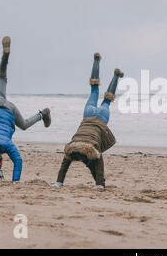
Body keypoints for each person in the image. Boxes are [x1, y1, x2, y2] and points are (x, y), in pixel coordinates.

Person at [0, 36, 51, 183]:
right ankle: (5, 57)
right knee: (1, 76)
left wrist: (15, 181)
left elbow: (18, 161)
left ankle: (42, 114)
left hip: (9, 110)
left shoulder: (6, 144)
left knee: (23, 124)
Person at [51, 53, 123, 189]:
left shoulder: (88, 150)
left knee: (107, 100)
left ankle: (116, 76)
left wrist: (100, 184)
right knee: (94, 90)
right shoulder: (71, 147)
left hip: (102, 118)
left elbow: (99, 163)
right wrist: (58, 182)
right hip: (88, 116)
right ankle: (97, 61)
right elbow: (63, 167)